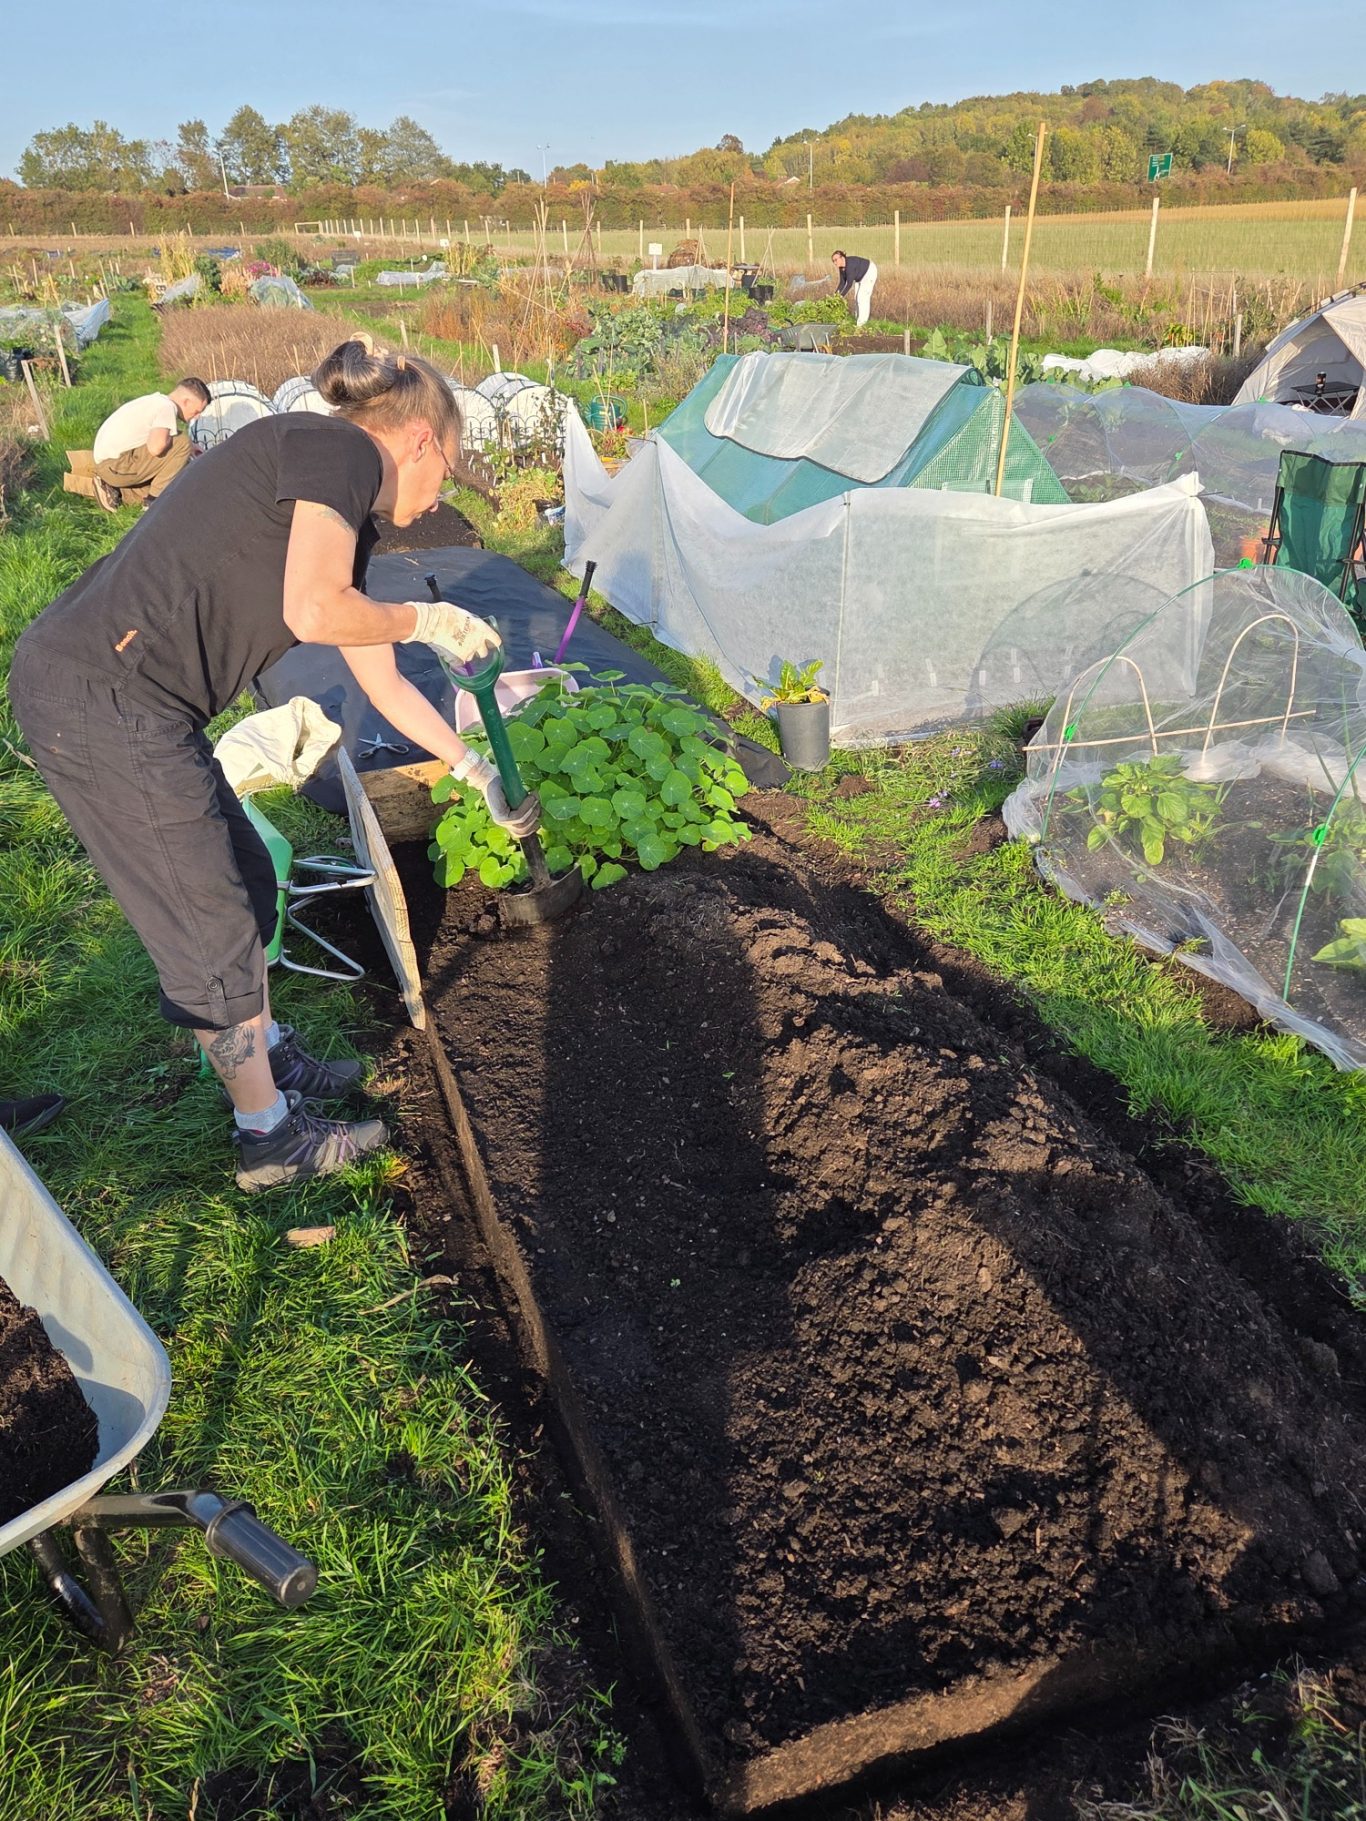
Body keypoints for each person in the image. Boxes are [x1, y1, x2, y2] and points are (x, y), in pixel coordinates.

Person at [10, 334, 538, 1193]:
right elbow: (314, 607)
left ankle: (269, 1059)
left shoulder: (336, 498)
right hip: (104, 696)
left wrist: (476, 769)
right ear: (417, 440)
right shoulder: (335, 450)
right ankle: (268, 1141)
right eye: (450, 467)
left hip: (142, 699)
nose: (442, 492)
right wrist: (428, 620)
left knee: (249, 879)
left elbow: (381, 677)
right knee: (206, 915)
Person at [91, 377, 211, 511]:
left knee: (172, 485)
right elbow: (156, 448)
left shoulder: (155, 401)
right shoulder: (167, 407)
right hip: (114, 466)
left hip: (110, 466)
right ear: (186, 401)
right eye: (197, 411)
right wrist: (187, 446)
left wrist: (191, 448)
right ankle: (153, 503)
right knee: (182, 443)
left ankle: (113, 490)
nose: (197, 416)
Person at [831, 250, 878, 329]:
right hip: (860, 277)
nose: (835, 263)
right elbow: (842, 283)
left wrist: (840, 297)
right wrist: (835, 296)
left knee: (862, 298)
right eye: (833, 261)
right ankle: (857, 319)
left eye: (836, 260)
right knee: (856, 297)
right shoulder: (842, 268)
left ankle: (861, 325)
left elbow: (849, 284)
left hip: (869, 272)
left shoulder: (850, 265)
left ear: (842, 257)